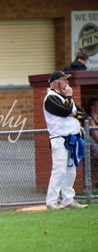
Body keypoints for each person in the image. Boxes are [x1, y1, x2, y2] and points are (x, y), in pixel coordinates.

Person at [43, 70, 88, 210]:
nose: (68, 82)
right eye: (64, 80)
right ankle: (52, 201)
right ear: (56, 83)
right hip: (60, 139)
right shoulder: (51, 98)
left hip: (73, 138)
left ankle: (68, 200)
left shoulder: (65, 98)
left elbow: (82, 114)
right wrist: (69, 100)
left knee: (71, 170)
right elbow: (65, 110)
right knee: (59, 170)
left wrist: (72, 112)